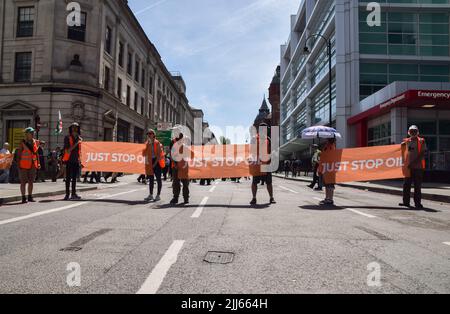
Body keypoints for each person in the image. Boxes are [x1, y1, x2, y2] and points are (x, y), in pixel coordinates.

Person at [399, 125, 427, 209]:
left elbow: (422, 153)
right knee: (406, 185)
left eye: (414, 131)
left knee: (417, 186)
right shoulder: (405, 141)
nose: (413, 132)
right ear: (409, 132)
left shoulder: (422, 141)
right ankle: (406, 202)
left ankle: (417, 203)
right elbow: (401, 152)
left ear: (417, 132)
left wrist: (413, 163)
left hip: (418, 168)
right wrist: (401, 146)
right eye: (411, 131)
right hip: (408, 168)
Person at [250, 123, 276, 205]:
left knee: (269, 182)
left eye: (266, 129)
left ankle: (271, 198)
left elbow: (271, 151)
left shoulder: (268, 139)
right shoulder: (254, 139)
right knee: (254, 182)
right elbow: (250, 151)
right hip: (257, 165)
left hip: (266, 164)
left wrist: (271, 159)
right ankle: (254, 198)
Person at [16, 128, 41, 203]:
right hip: (23, 165)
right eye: (31, 132)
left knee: (31, 181)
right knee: (23, 182)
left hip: (33, 165)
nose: (33, 134)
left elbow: (37, 154)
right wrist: (18, 164)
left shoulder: (36, 142)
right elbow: (18, 154)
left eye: (33, 132)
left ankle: (30, 196)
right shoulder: (22, 142)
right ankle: (23, 197)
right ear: (26, 134)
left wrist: (38, 163)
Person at [63, 122, 83, 200]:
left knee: (74, 178)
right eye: (73, 127)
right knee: (68, 178)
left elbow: (81, 151)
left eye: (76, 127)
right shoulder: (67, 138)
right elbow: (67, 151)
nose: (74, 129)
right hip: (69, 161)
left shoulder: (79, 138)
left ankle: (73, 194)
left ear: (78, 129)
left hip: (76, 161)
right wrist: (77, 143)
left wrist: (81, 161)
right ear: (70, 128)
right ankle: (67, 194)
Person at [170, 127, 190, 205]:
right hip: (175, 166)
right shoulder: (172, 142)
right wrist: (174, 164)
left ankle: (186, 198)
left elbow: (189, 152)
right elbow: (171, 154)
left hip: (184, 165)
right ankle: (175, 198)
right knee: (176, 183)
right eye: (174, 131)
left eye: (176, 131)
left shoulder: (186, 140)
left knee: (185, 182)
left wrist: (185, 163)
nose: (175, 133)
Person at [144, 129, 165, 202]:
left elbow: (159, 155)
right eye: (148, 134)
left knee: (158, 179)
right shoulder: (147, 143)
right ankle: (151, 195)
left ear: (153, 135)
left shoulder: (157, 143)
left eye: (150, 133)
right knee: (151, 179)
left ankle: (158, 195)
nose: (149, 135)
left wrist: (154, 164)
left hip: (157, 162)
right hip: (150, 162)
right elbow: (144, 153)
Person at [319, 138, 336, 206]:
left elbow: (331, 157)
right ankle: (327, 198)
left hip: (330, 168)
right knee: (327, 184)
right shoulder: (327, 146)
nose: (325, 139)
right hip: (326, 168)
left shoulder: (332, 146)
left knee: (330, 184)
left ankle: (330, 199)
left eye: (327, 139)